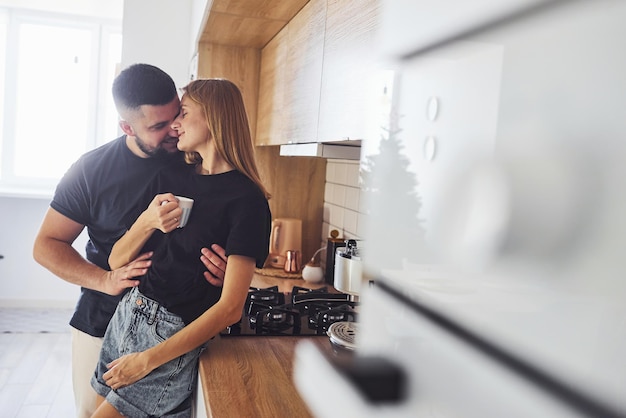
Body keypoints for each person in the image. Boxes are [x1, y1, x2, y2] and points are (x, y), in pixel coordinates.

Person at [32, 64, 228, 418]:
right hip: (102, 323)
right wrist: (103, 279)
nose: (173, 130)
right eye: (157, 126)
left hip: (175, 334)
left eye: (176, 116)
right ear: (127, 126)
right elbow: (46, 245)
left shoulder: (193, 159)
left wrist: (227, 270)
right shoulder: (91, 170)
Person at [90, 78, 271, 418]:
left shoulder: (247, 200)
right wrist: (147, 220)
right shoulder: (173, 175)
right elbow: (116, 260)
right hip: (128, 314)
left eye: (184, 113)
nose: (175, 124)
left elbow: (231, 308)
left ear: (215, 117)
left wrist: (147, 360)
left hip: (169, 336)